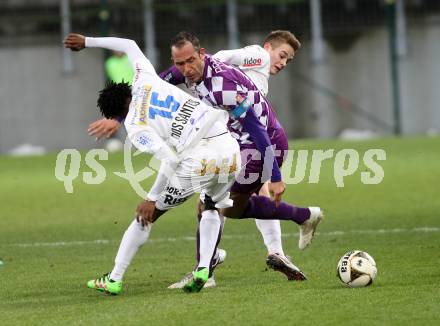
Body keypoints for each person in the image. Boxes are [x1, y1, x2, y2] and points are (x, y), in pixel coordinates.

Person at [64, 33, 242, 294]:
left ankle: (114, 279)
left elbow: (170, 160)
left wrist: (151, 197)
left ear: (117, 115)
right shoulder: (144, 76)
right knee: (211, 205)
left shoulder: (135, 127)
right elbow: (129, 45)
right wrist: (87, 41)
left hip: (199, 159)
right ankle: (204, 267)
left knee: (145, 216)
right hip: (229, 148)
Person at [160, 31, 324, 287]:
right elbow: (163, 82)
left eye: (287, 60)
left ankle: (206, 270)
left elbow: (256, 128)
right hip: (244, 143)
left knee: (210, 202)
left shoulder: (231, 82)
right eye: (282, 55)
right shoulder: (256, 56)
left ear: (200, 55)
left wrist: (275, 176)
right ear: (268, 47)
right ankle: (301, 218)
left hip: (259, 146)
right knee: (231, 207)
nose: (282, 62)